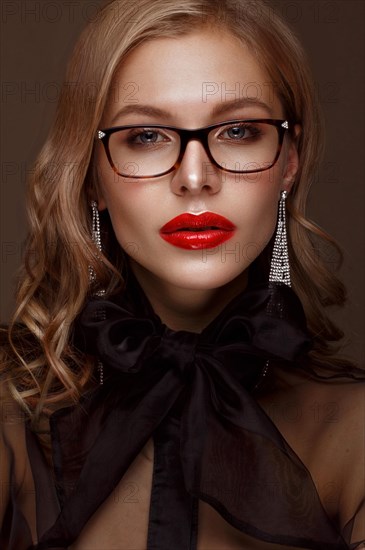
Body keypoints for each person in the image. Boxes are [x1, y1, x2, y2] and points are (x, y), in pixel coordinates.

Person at [1, 0, 364, 548]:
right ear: (92, 176)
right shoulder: (12, 408)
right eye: (145, 136)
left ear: (290, 159)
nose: (196, 178)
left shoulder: (353, 430)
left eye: (239, 131)